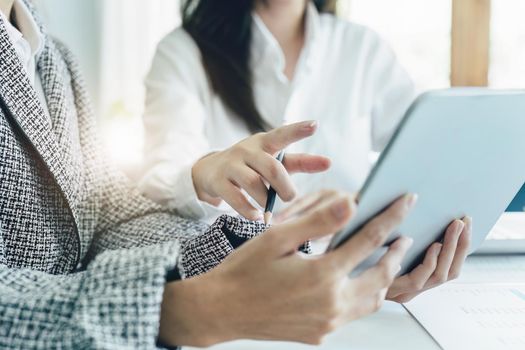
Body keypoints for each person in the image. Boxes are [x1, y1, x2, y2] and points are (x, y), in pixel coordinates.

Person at [0, 0, 471, 348]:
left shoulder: (50, 53)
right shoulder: (184, 51)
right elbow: (148, 189)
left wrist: (333, 263)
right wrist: (188, 310)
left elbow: (105, 216)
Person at [139, 0, 417, 222]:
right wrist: (205, 173)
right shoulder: (183, 53)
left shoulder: (363, 49)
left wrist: (359, 207)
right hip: (238, 275)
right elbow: (160, 181)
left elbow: (424, 161)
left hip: (356, 268)